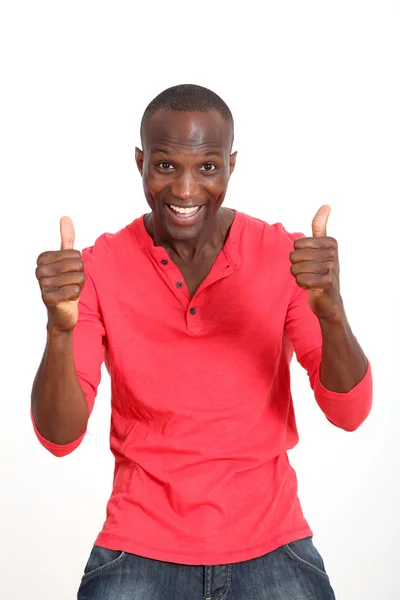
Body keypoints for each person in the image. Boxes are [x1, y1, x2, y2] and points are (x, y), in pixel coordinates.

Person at [32, 84, 372, 600]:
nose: (186, 190)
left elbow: (350, 413)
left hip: (273, 547)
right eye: (166, 166)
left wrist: (332, 311)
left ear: (231, 166)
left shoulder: (285, 257)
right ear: (141, 162)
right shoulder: (99, 267)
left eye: (207, 168)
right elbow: (60, 438)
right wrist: (59, 332)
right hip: (138, 550)